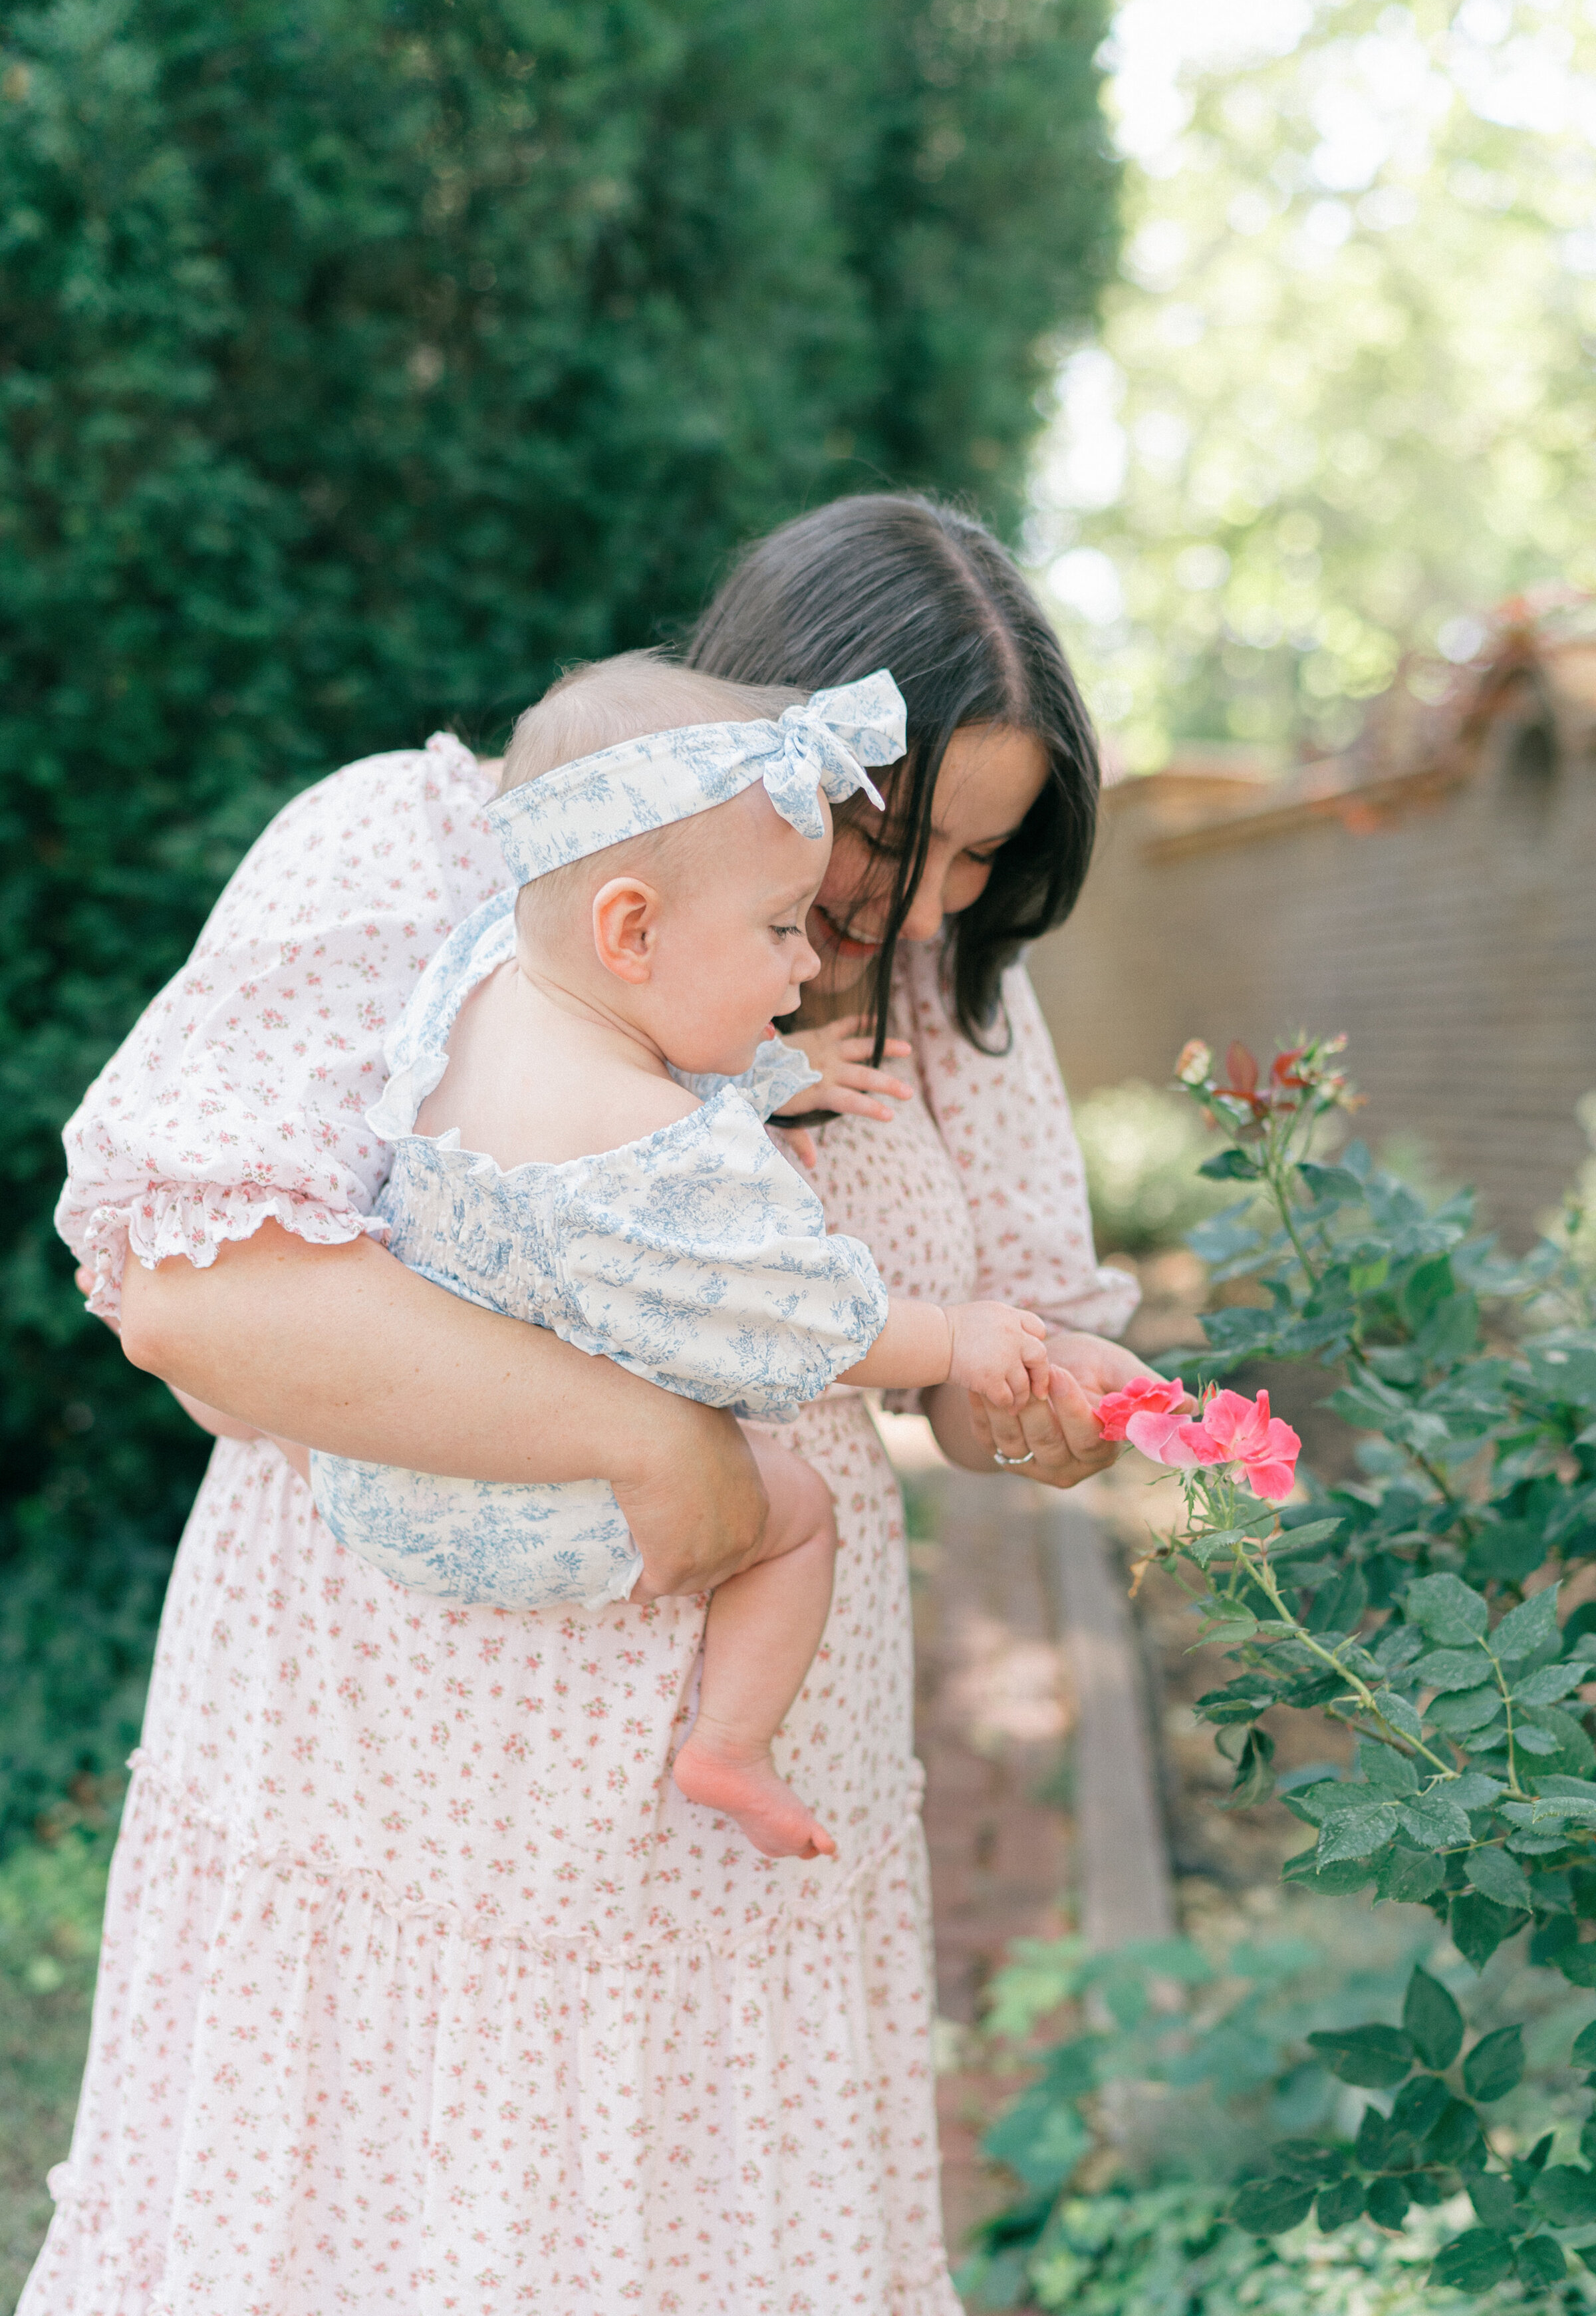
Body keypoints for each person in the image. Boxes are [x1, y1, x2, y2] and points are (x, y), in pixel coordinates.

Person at [33, 494, 1151, 2316]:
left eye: (982, 862)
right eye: (909, 835)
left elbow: (986, 1393)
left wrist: (1068, 1405)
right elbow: (196, 1298)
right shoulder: (421, 851)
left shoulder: (942, 1002)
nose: (928, 907)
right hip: (396, 1810)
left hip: (732, 1854)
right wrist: (657, 1448)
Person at [312, 652, 1063, 1864]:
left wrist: (772, 1073)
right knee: (798, 1509)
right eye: (779, 928)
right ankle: (731, 1744)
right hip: (488, 1510)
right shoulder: (658, 1152)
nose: (809, 965)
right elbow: (797, 1321)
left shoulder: (485, 974)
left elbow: (645, 1042)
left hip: (368, 1464)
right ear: (630, 927)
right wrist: (956, 1337)